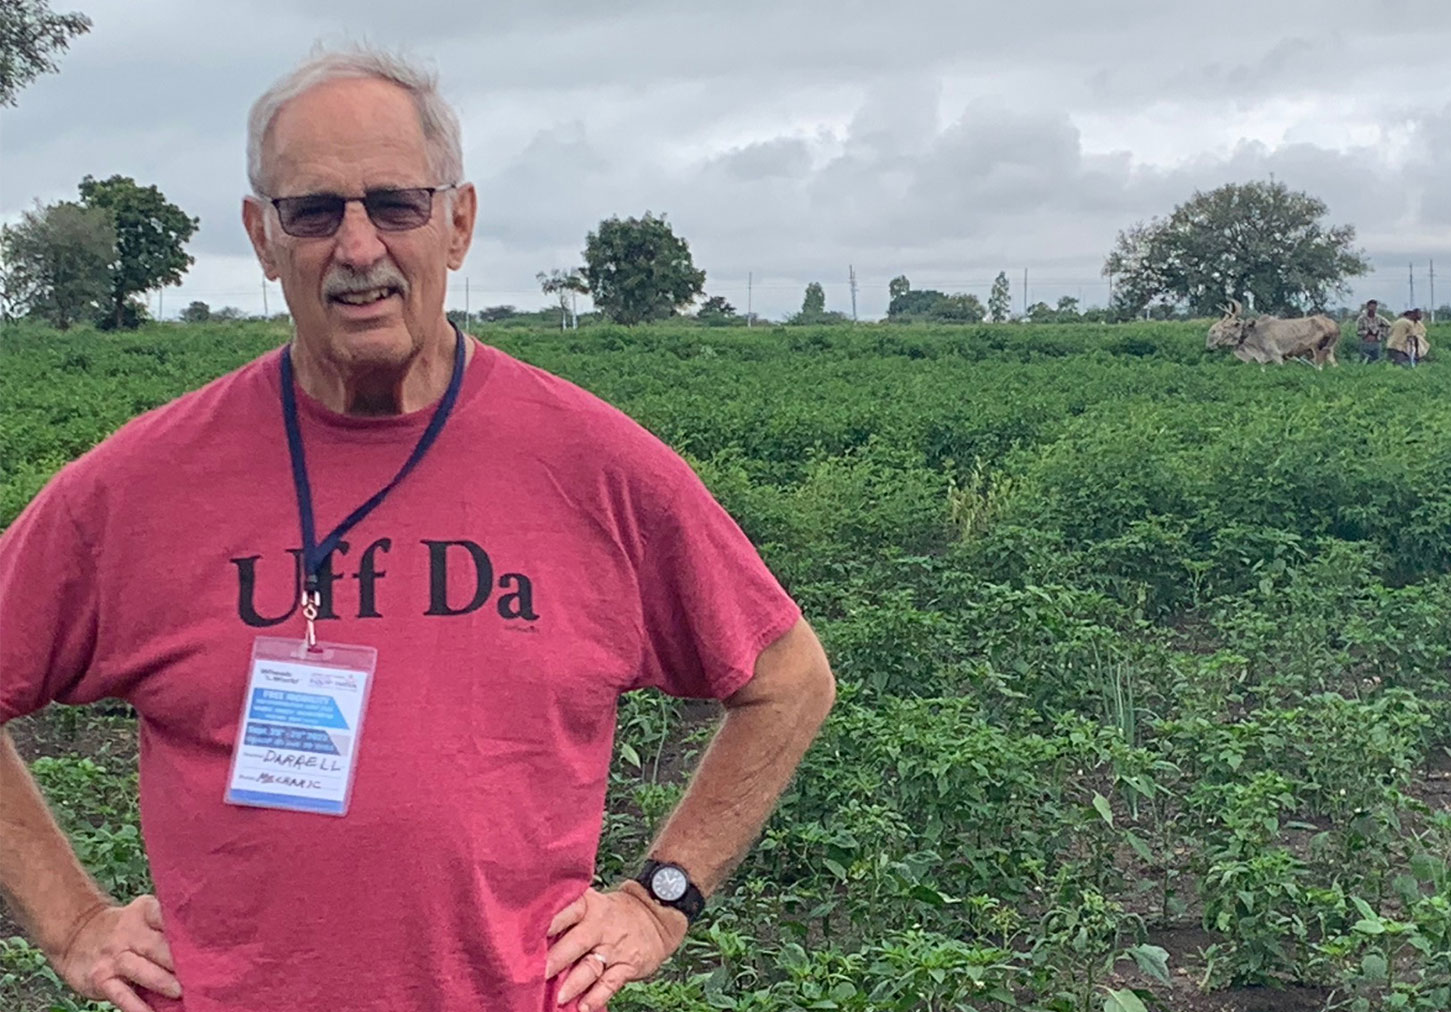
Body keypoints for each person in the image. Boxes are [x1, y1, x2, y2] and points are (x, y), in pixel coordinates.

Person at [0, 45, 836, 1012]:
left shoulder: (595, 466)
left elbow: (788, 680)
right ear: (262, 239)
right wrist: (69, 920)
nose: (357, 248)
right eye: (312, 212)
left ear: (457, 224)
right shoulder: (139, 486)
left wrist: (662, 899)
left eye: (396, 203)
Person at [1353, 299, 1390, 363]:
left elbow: (1389, 325)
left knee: (1376, 361)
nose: (1372, 309)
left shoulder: (1379, 318)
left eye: (1374, 307)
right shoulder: (1361, 319)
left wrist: (1381, 333)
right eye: (1371, 307)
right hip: (1366, 342)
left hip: (1376, 343)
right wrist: (1367, 333)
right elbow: (1358, 331)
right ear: (1367, 307)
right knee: (1364, 361)